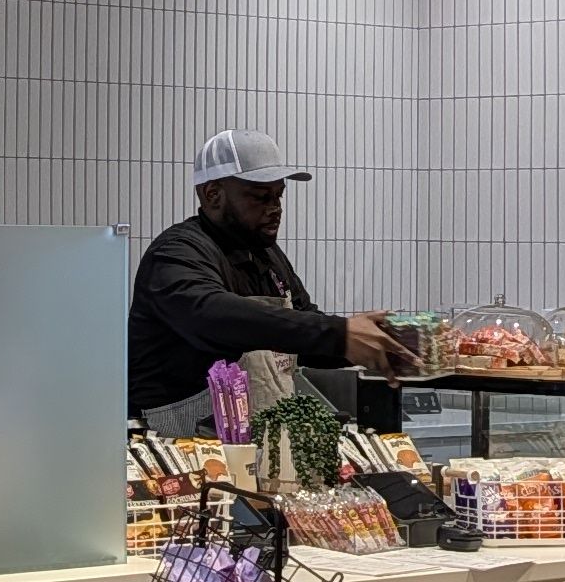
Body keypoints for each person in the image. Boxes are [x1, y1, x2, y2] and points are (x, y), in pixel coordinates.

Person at [127, 129, 401, 418]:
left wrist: (377, 344)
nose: (276, 209)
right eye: (260, 197)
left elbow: (303, 339)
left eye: (278, 196)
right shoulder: (175, 254)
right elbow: (214, 316)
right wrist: (338, 334)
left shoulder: (267, 256)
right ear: (213, 195)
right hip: (182, 447)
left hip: (258, 440)